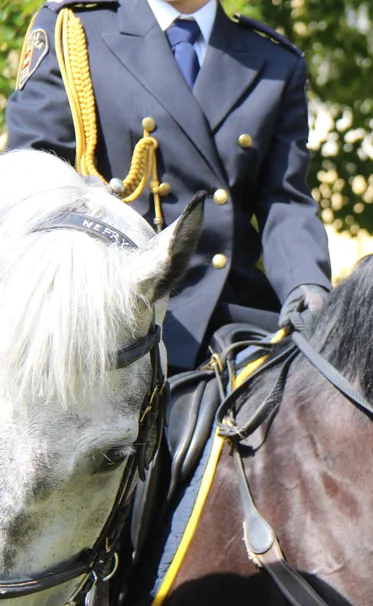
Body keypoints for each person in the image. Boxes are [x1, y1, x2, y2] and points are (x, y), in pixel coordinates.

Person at [6, 0, 332, 371]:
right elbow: (31, 186)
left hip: (235, 318)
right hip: (110, 322)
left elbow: (285, 201)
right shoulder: (74, 32)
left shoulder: (273, 60)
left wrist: (307, 287)